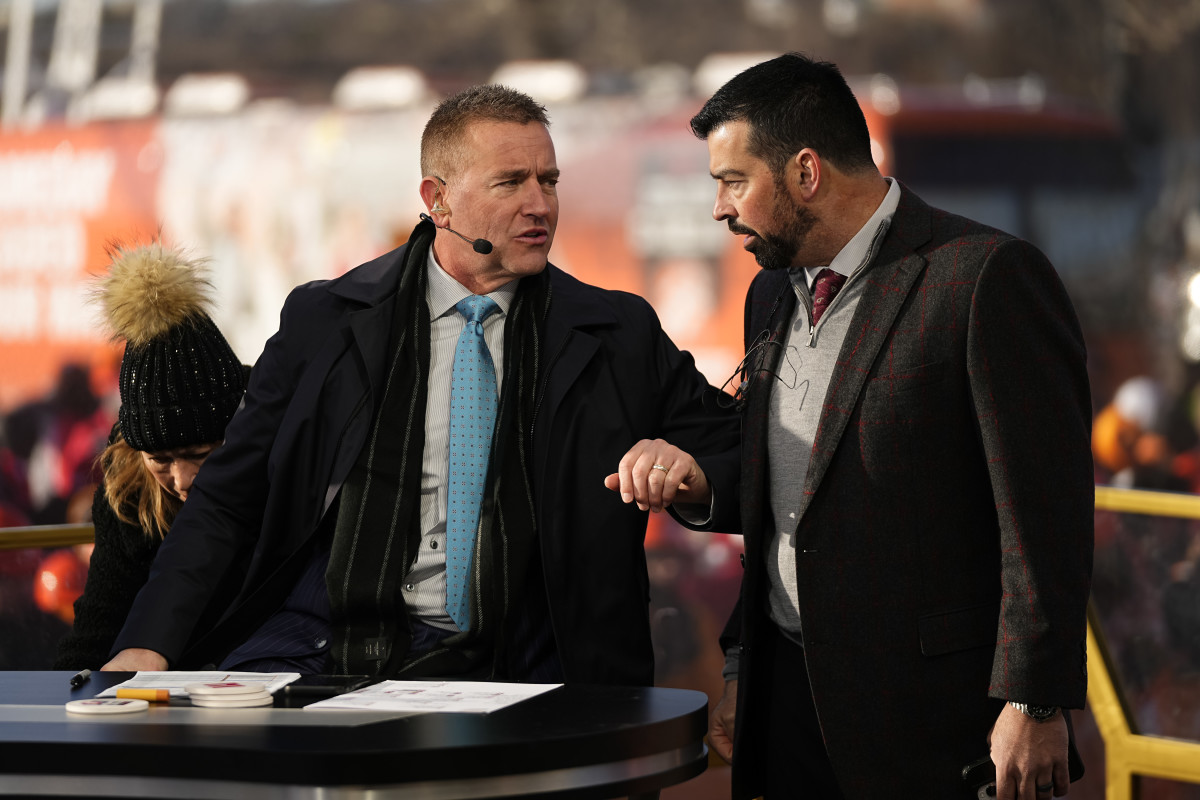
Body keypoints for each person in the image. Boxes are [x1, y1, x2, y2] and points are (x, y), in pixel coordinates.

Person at [102, 85, 739, 684]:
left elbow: (741, 453)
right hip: (328, 652)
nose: (540, 204)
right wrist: (149, 642)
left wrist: (694, 474)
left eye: (548, 181)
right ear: (437, 199)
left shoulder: (619, 333)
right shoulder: (323, 322)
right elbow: (228, 497)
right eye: (510, 182)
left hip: (531, 670)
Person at [690, 54, 1094, 799]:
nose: (720, 208)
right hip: (785, 709)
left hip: (929, 727)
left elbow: (1045, 517)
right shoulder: (769, 297)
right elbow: (782, 505)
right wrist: (745, 666)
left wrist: (1036, 700)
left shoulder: (983, 278)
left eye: (733, 180)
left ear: (806, 172)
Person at [54, 243, 249, 670]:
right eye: (159, 460)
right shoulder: (124, 489)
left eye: (198, 454)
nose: (181, 480)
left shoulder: (280, 452)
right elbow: (99, 621)